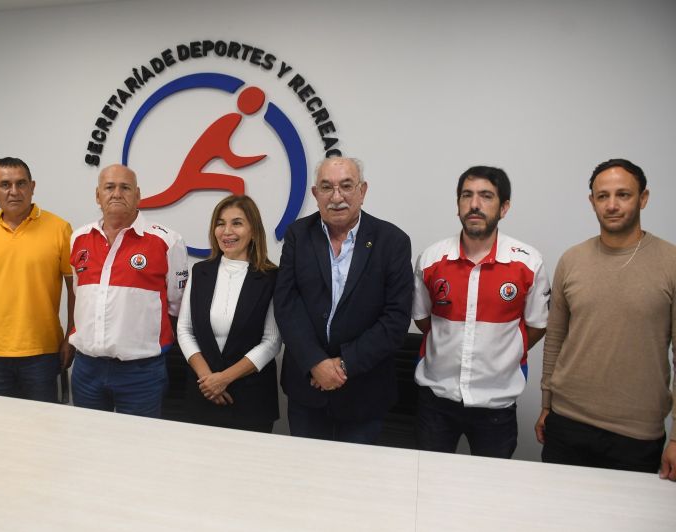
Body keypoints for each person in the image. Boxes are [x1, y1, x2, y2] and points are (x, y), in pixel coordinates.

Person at [536, 158, 676, 480]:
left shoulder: (670, 262)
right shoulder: (572, 260)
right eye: (603, 196)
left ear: (643, 198)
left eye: (623, 195)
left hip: (636, 435)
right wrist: (547, 405)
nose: (612, 205)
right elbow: (555, 339)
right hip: (567, 421)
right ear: (592, 202)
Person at [412, 166, 550, 458]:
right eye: (467, 195)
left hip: (496, 404)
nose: (474, 204)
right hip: (436, 400)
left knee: (491, 484)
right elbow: (423, 319)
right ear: (458, 205)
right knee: (429, 480)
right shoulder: (431, 259)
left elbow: (537, 325)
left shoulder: (528, 263)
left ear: (504, 207)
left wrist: (504, 353)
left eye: (486, 196)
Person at [274, 156, 413, 444]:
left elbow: (395, 319)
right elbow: (287, 305)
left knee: (358, 472)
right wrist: (316, 362)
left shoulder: (392, 241)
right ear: (315, 194)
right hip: (307, 390)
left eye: (346, 186)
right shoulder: (298, 235)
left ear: (362, 191)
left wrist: (343, 364)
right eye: (327, 187)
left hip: (364, 392)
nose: (336, 197)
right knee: (305, 469)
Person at [69, 164, 188, 417]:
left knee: (138, 441)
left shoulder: (168, 241)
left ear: (138, 195)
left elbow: (175, 304)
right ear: (98, 195)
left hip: (141, 373)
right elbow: (81, 295)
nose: (116, 193)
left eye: (125, 187)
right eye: (109, 187)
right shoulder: (78, 238)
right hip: (86, 368)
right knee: (87, 438)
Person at [0, 157, 74, 402]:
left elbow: (75, 288)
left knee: (43, 421)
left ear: (32, 187)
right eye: (5, 185)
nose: (14, 191)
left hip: (43, 352)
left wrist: (70, 337)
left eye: (21, 183)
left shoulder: (60, 229)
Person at [177, 195, 281, 433]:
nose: (227, 231)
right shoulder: (200, 271)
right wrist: (208, 379)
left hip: (251, 400)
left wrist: (224, 379)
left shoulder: (271, 277)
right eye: (220, 223)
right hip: (203, 392)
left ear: (253, 231)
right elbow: (184, 329)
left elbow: (272, 340)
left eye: (237, 223)